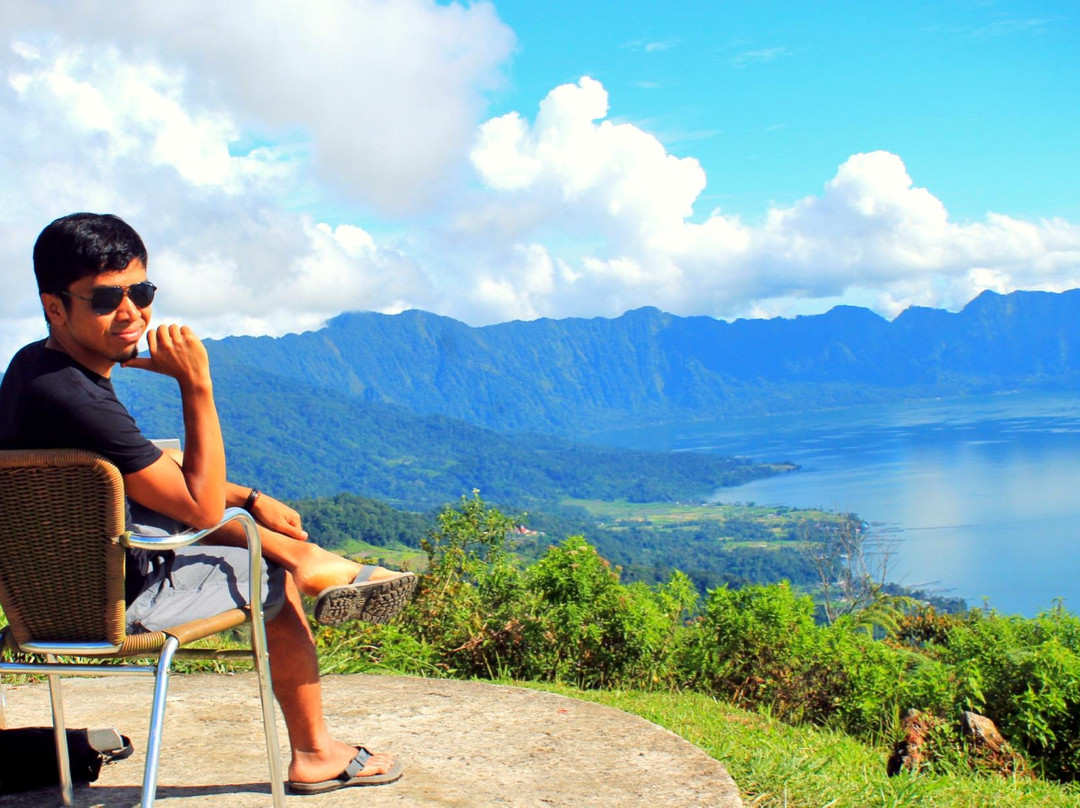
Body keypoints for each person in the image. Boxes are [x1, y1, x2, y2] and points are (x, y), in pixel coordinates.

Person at [0, 212, 416, 793]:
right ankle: (317, 751)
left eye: (140, 292)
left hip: (38, 604)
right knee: (266, 572)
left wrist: (249, 496)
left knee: (189, 511)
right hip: (116, 599)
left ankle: (312, 559)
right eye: (104, 299)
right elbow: (195, 508)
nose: (131, 313)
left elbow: (147, 469)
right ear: (55, 307)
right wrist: (196, 384)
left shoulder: (35, 372)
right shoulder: (75, 397)